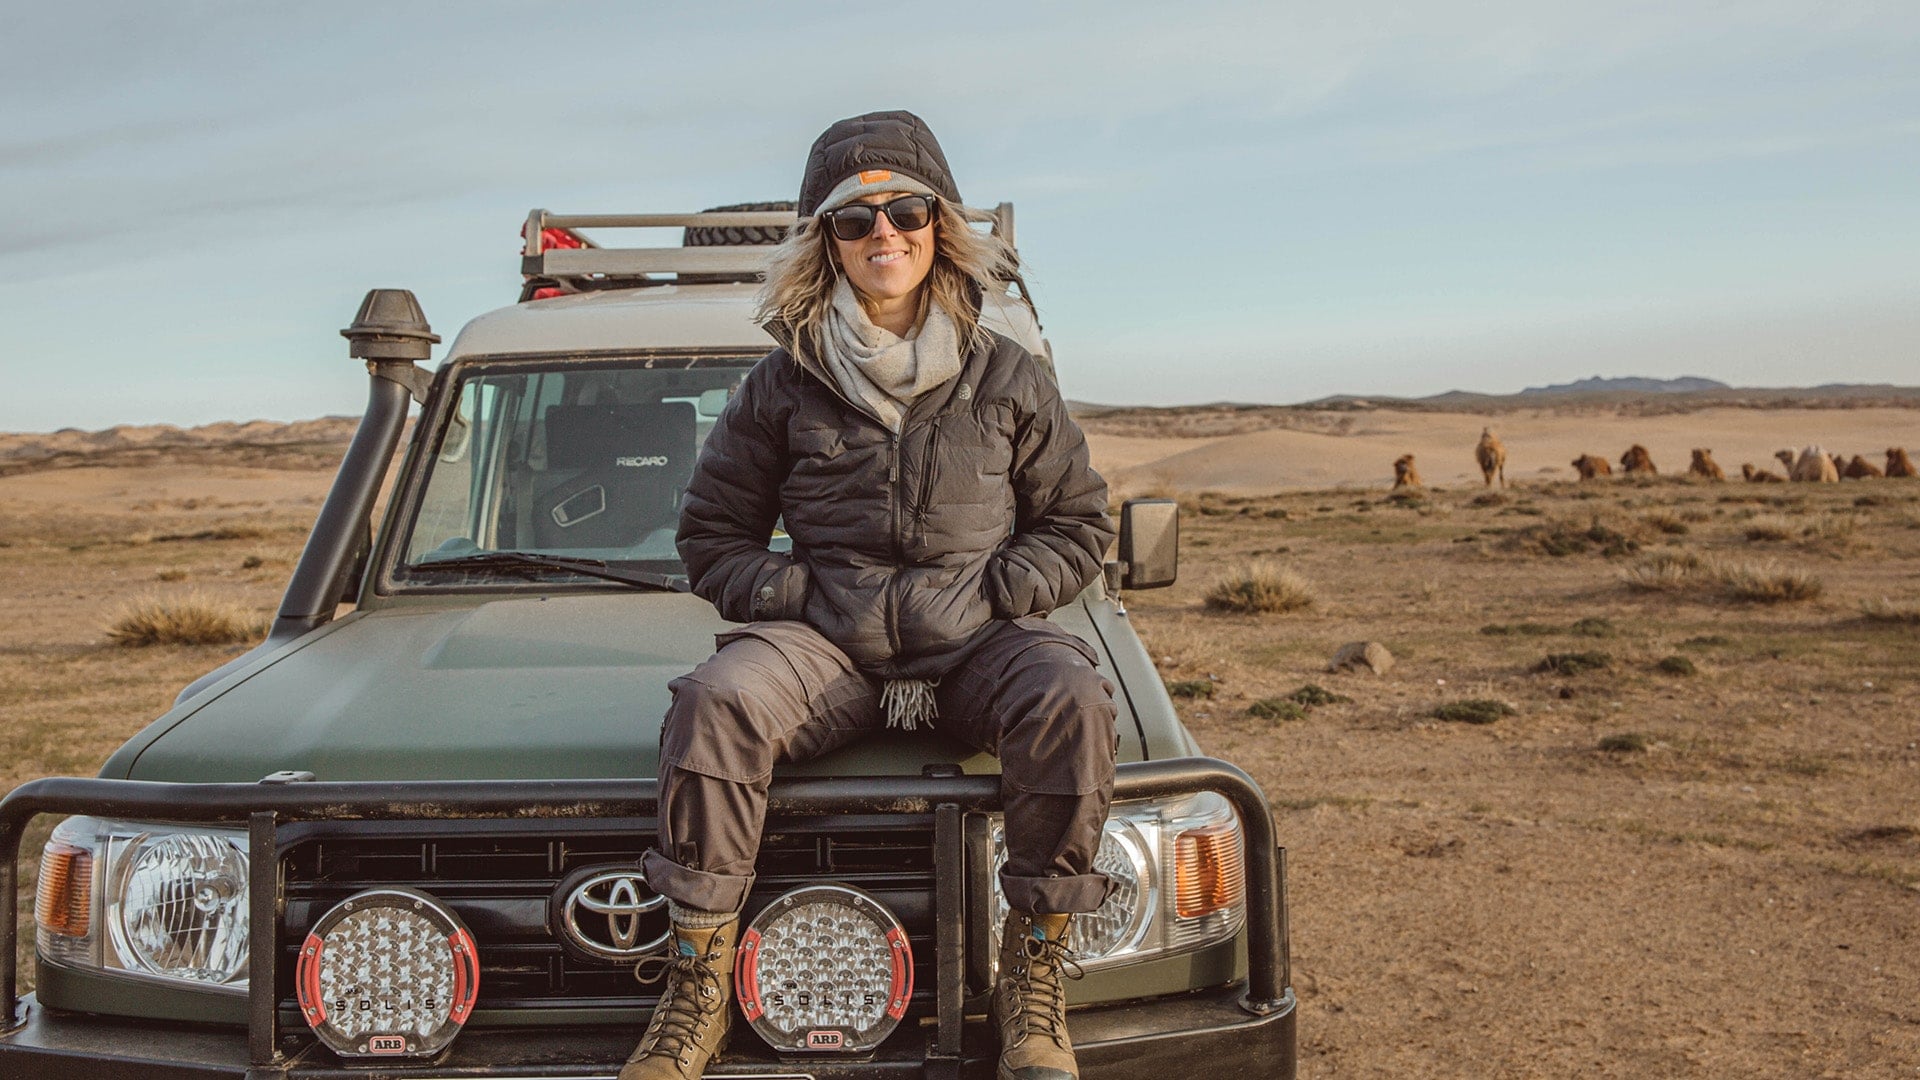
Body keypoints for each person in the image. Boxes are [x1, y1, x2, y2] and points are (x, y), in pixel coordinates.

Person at [620, 109, 1118, 1080]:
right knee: (715, 704)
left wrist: (1003, 591)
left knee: (1071, 696)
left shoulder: (1007, 376)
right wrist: (799, 592)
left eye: (907, 209)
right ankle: (694, 990)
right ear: (826, 243)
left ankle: (1035, 975)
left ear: (941, 226)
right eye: (854, 219)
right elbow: (709, 538)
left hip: (979, 642)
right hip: (830, 650)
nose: (883, 232)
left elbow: (1080, 525)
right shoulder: (782, 384)